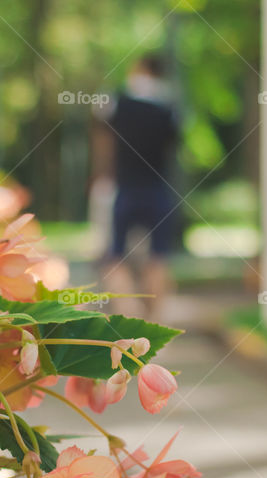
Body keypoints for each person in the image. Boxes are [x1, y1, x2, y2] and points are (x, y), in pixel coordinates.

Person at [92, 55, 179, 320]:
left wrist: (101, 175)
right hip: (158, 190)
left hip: (125, 190)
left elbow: (101, 136)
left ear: (139, 70)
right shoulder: (168, 109)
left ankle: (129, 318)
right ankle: (155, 324)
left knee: (114, 258)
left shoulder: (117, 101)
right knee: (158, 259)